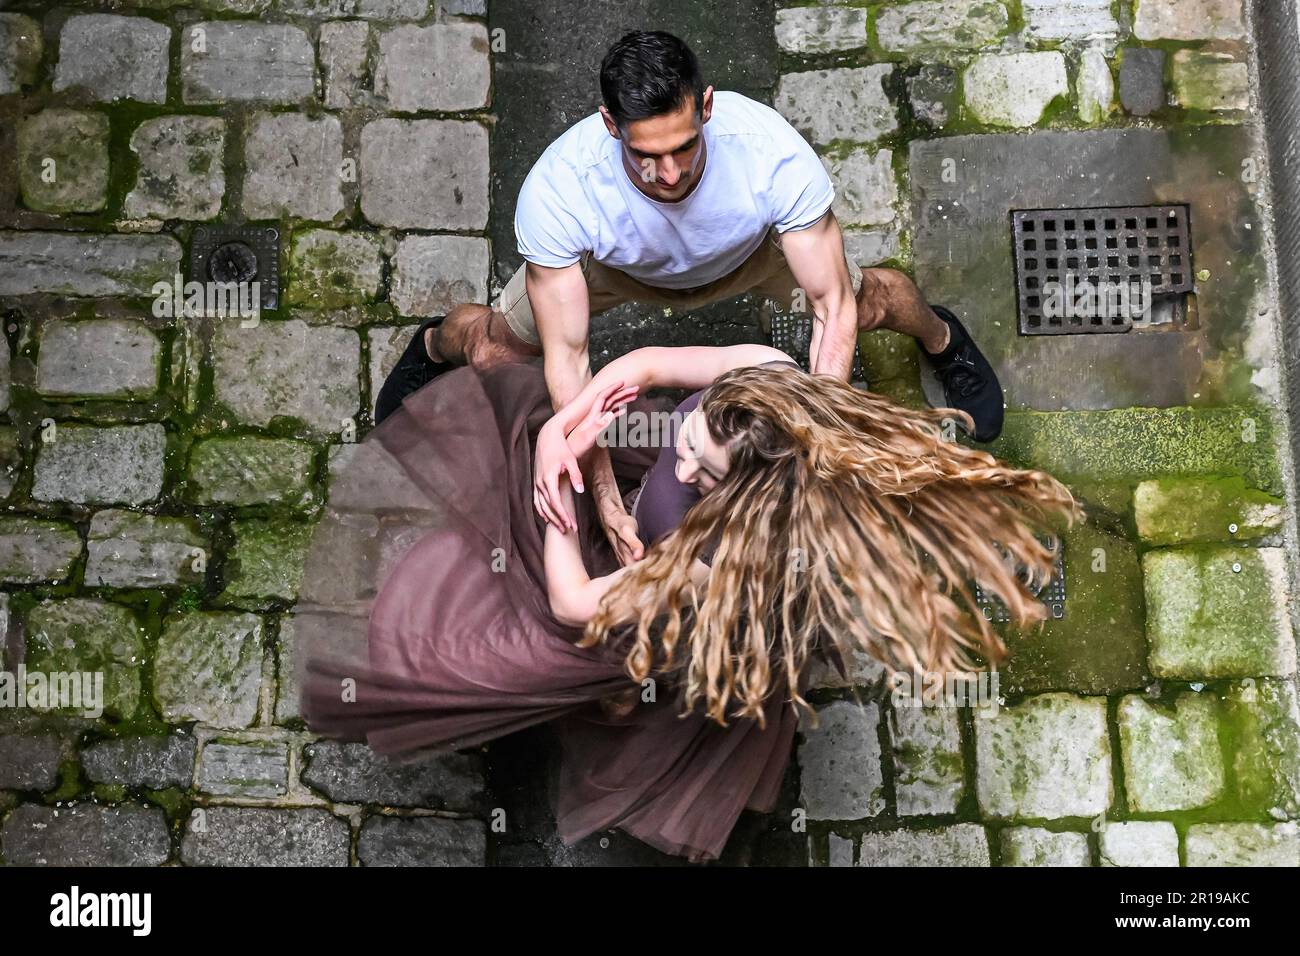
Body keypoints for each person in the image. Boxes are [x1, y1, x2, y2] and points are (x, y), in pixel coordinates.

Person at [302, 345, 1080, 863]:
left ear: (746, 498)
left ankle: (606, 703)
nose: (676, 456)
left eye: (699, 471)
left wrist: (555, 494)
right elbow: (643, 365)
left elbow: (575, 603)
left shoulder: (721, 562)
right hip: (639, 545)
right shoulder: (766, 380)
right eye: (688, 435)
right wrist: (572, 432)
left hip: (643, 608)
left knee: (499, 653)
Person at [377, 29, 1006, 570]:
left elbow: (831, 310)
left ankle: (942, 337)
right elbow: (569, 364)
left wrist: (811, 444)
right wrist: (601, 494)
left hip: (749, 255)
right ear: (608, 126)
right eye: (647, 157)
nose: (671, 174)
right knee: (493, 348)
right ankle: (433, 343)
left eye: (684, 148)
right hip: (614, 268)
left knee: (871, 302)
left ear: (706, 107)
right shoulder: (559, 191)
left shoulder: (774, 157)